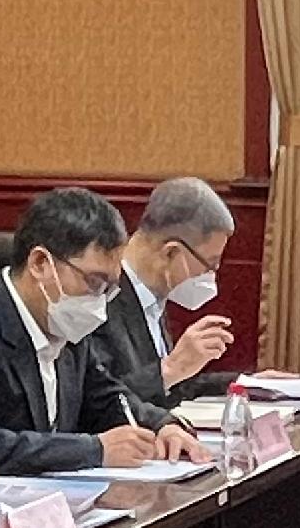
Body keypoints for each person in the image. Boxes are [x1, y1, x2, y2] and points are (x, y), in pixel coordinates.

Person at [0, 186, 203, 488]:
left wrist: (161, 425)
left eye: (110, 288)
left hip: (39, 503)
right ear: (39, 264)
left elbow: (106, 398)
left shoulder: (65, 325)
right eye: (93, 282)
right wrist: (95, 450)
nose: (101, 302)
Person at [101, 176, 242, 420]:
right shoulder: (99, 300)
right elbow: (96, 403)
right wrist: (170, 369)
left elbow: (173, 389)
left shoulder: (154, 293)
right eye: (209, 265)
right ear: (171, 253)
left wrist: (249, 383)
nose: (210, 276)